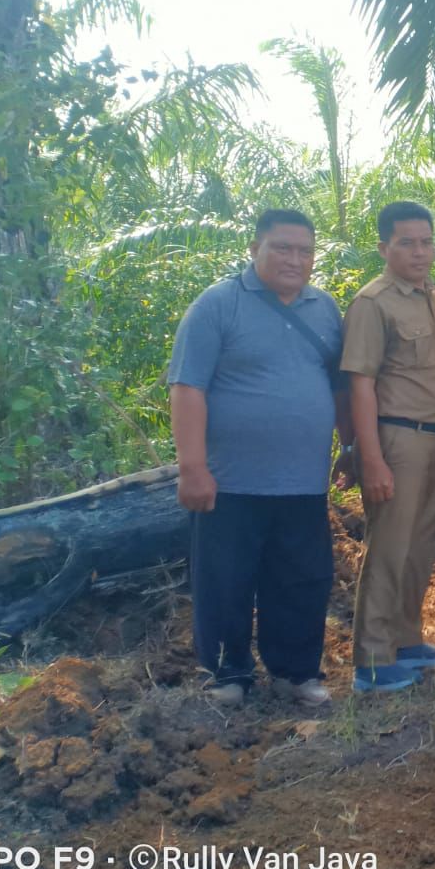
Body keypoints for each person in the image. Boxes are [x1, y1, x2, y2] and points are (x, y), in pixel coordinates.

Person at [167, 208, 350, 708]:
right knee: (225, 580)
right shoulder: (218, 305)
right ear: (255, 249)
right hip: (229, 482)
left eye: (305, 250)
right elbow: (187, 388)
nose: (295, 259)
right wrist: (192, 467)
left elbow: (340, 389)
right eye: (283, 248)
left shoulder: (324, 310)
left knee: (301, 580)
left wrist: (351, 448)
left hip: (304, 483)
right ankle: (227, 674)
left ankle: (295, 673)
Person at [340, 202, 435, 693]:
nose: (420, 251)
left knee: (419, 547)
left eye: (427, 241)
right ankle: (372, 660)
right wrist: (368, 458)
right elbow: (360, 386)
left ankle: (407, 640)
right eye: (407, 243)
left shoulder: (433, 298)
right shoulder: (373, 304)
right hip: (396, 440)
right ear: (383, 248)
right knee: (389, 550)